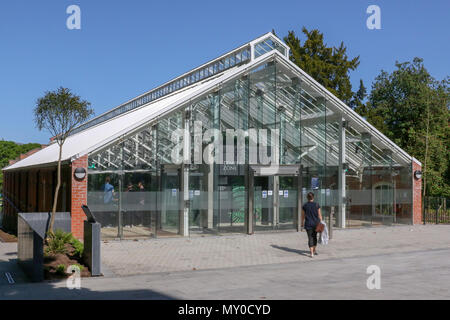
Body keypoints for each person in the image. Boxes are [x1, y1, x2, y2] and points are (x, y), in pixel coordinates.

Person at [301, 192, 323, 258]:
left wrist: (302, 222)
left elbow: (303, 216)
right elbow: (320, 215)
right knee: (314, 237)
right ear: (313, 197)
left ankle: (311, 253)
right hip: (316, 224)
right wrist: (321, 222)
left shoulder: (305, 205)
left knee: (310, 238)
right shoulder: (316, 205)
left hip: (308, 224)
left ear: (307, 198)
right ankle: (314, 250)